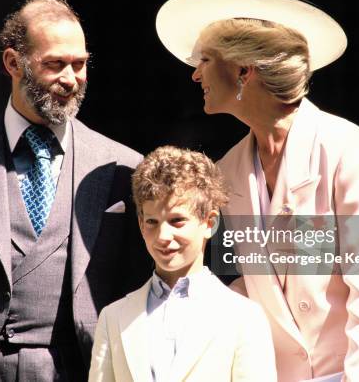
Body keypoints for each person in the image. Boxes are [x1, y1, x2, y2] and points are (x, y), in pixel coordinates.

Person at [156, 0, 359, 382]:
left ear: (245, 71)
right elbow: (262, 290)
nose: (195, 74)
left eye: (205, 60)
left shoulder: (350, 148)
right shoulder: (228, 169)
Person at [0, 0, 151, 381]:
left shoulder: (122, 166)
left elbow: (136, 277)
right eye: (54, 64)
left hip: (84, 368)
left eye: (80, 64)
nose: (70, 79)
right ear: (12, 63)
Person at [88, 146, 277, 382]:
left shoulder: (244, 317)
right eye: (152, 222)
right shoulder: (113, 317)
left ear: (209, 223)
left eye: (177, 221)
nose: (162, 236)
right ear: (140, 224)